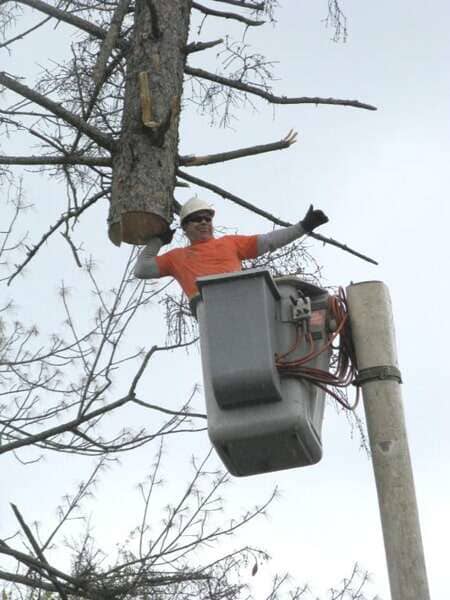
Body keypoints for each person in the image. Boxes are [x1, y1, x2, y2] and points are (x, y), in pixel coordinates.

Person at [134, 196, 329, 309]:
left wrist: (303, 226)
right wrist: (158, 240)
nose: (203, 222)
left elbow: (269, 241)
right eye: (196, 219)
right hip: (209, 309)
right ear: (185, 227)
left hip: (241, 302)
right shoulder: (176, 257)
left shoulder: (230, 243)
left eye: (207, 218)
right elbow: (141, 269)